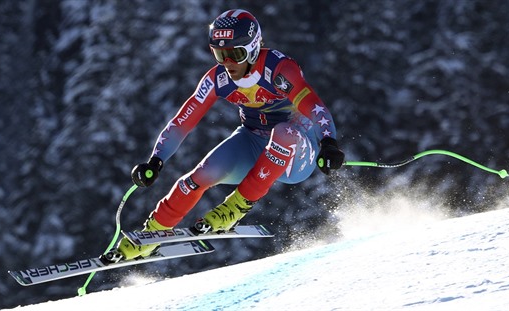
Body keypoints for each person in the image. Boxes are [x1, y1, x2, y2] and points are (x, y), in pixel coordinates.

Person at [110, 9, 345, 262]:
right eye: (220, 54)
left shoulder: (279, 70)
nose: (228, 63)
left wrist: (328, 143)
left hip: (298, 151)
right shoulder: (217, 78)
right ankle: (149, 236)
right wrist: (156, 161)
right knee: (199, 176)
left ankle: (234, 208)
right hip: (252, 141)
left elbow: (315, 106)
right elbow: (183, 121)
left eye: (235, 54)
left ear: (254, 48)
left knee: (283, 132)